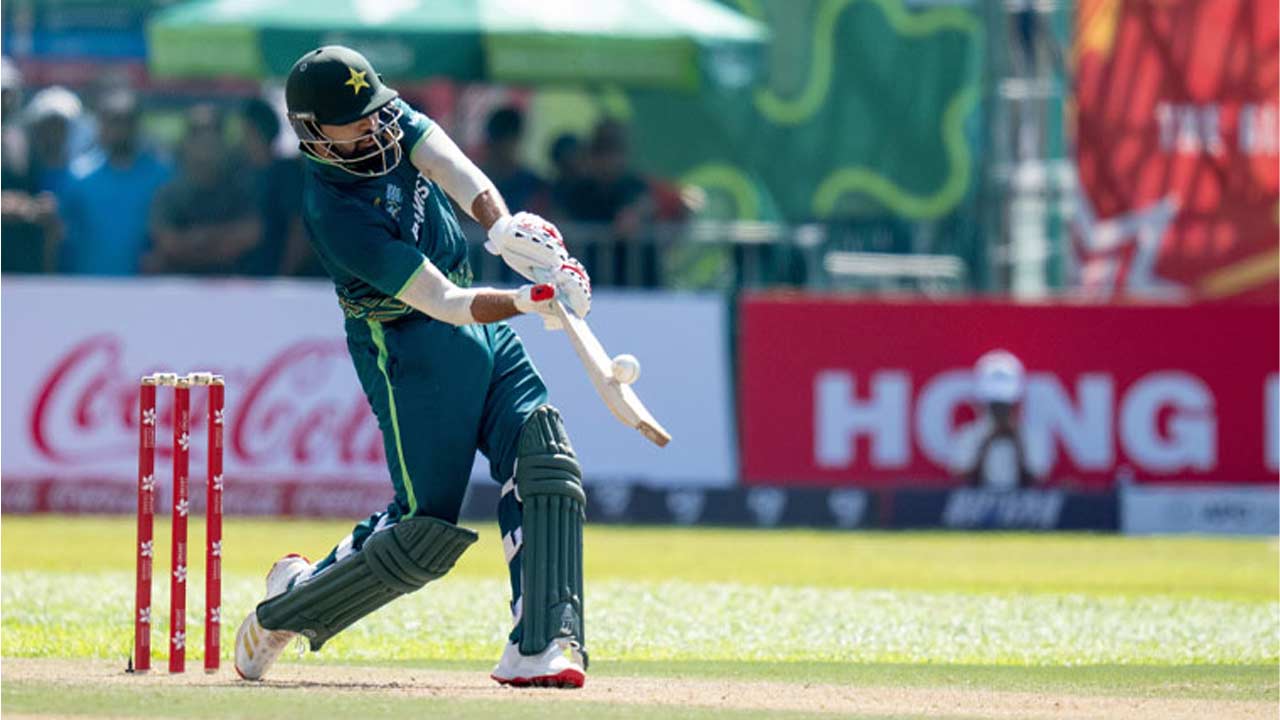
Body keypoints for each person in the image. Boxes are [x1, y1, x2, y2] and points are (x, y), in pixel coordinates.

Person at [232, 46, 592, 689]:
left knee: (543, 455)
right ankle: (286, 608)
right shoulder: (334, 213)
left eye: (378, 108)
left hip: (477, 324)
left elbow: (453, 169)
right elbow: (446, 304)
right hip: (409, 346)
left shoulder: (387, 119)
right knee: (422, 533)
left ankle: (542, 645)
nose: (376, 126)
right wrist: (529, 299)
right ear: (314, 131)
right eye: (357, 120)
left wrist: (506, 229)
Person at [57, 89, 170, 275]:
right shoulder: (80, 176)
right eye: (114, 121)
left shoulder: (161, 176)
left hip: (144, 287)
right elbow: (61, 234)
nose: (121, 129)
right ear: (102, 124)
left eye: (127, 121)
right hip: (86, 284)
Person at [146, 104, 261, 275]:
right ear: (186, 142)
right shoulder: (169, 193)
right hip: (179, 287)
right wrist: (219, 242)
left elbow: (250, 234)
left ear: (222, 141)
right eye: (197, 134)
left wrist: (200, 238)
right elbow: (167, 243)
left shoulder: (240, 189)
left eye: (213, 133)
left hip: (230, 286)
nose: (205, 142)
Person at [949, 350, 1045, 489]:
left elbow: (1036, 479)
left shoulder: (1032, 436)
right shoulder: (968, 435)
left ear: (1016, 401)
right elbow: (963, 479)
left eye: (1005, 404)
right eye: (995, 404)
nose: (1000, 410)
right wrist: (988, 442)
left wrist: (1016, 441)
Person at [239, 96, 311, 276]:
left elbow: (299, 228)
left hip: (280, 282)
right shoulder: (245, 174)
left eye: (245, 131)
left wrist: (283, 276)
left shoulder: (286, 173)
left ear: (255, 132)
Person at [481, 105, 548, 215]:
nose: (501, 148)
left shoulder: (535, 186)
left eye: (507, 141)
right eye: (497, 141)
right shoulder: (475, 180)